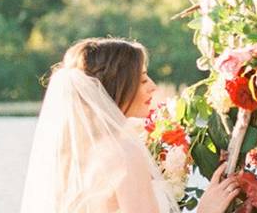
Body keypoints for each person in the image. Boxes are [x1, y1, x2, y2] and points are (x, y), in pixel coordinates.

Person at [19, 37, 240, 213]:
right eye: (143, 79)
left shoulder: (75, 155)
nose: (152, 87)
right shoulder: (123, 153)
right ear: (117, 85)